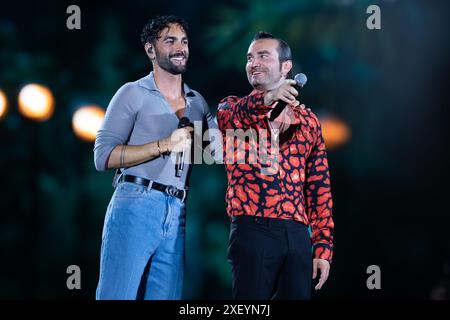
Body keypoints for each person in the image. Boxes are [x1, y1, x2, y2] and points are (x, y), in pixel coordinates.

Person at [93, 15, 216, 300]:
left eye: (184, 41)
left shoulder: (197, 102)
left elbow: (217, 152)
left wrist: (270, 105)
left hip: (178, 212)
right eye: (169, 40)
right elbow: (102, 157)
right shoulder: (132, 93)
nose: (180, 47)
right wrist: (163, 144)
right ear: (150, 49)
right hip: (135, 201)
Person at [217, 31, 335, 299]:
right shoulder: (233, 108)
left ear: (286, 67)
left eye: (262, 56)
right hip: (253, 229)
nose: (253, 63)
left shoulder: (308, 121)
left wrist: (323, 246)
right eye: (249, 58)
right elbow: (226, 119)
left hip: (297, 234)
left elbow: (320, 188)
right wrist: (268, 99)